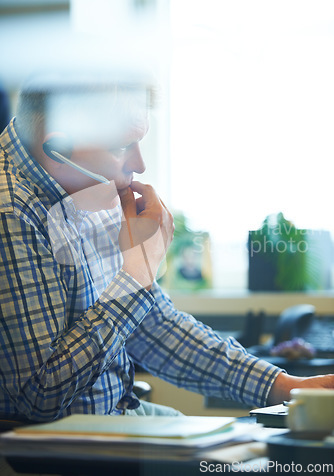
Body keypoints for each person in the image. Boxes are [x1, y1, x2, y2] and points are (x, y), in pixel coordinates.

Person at [0, 73, 333, 422]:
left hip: (120, 417)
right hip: (62, 447)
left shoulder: (84, 188)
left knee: (252, 447)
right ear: (60, 148)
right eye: (120, 147)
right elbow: (40, 397)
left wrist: (284, 385)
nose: (139, 165)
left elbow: (155, 327)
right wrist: (138, 273)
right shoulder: (11, 212)